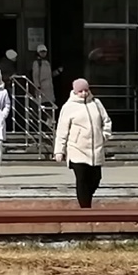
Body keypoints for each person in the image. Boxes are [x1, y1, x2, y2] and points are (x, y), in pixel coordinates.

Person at [54, 78, 113, 209]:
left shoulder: (96, 103)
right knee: (81, 180)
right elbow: (62, 130)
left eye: (86, 90)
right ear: (75, 91)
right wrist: (59, 151)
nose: (84, 93)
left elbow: (106, 121)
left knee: (96, 179)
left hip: (95, 150)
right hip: (77, 150)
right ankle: (85, 208)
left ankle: (87, 199)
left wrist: (104, 136)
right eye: (81, 91)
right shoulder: (68, 107)